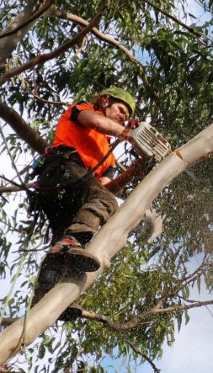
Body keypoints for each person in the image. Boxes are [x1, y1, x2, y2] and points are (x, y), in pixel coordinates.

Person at [30, 87, 148, 321]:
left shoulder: (109, 156)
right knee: (79, 232)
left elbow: (103, 190)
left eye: (126, 115)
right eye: (120, 109)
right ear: (105, 101)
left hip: (73, 194)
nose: (123, 116)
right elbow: (94, 121)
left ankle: (47, 296)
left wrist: (133, 173)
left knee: (65, 246)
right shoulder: (82, 109)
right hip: (61, 170)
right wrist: (129, 134)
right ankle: (70, 241)